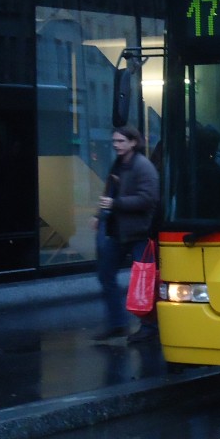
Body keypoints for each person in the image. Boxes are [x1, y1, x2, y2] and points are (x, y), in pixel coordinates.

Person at [93, 125, 159, 342]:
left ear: (133, 142)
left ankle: (148, 327)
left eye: (121, 141)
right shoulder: (119, 163)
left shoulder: (143, 167)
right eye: (114, 141)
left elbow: (148, 199)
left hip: (139, 232)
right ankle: (117, 323)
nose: (116, 145)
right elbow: (109, 193)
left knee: (143, 280)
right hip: (119, 231)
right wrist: (99, 215)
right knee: (106, 274)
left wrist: (116, 204)